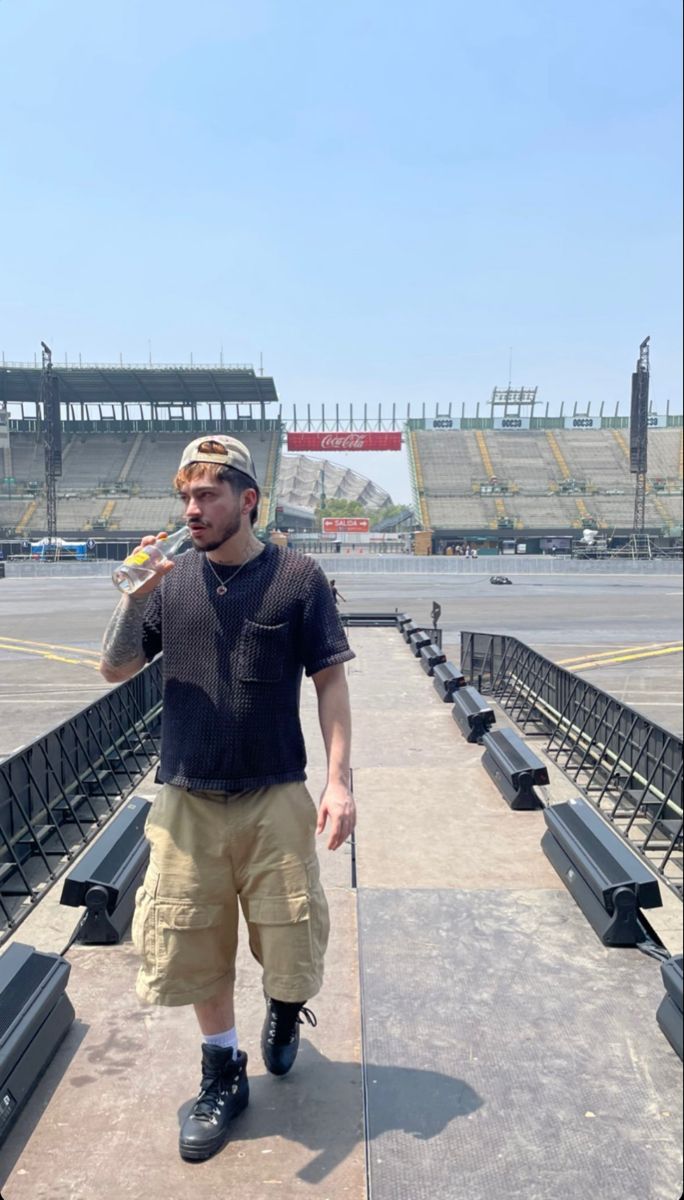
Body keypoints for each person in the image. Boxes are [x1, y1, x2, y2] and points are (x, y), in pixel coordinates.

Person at [99, 435, 355, 1163]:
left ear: (248, 499)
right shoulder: (170, 582)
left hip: (275, 792)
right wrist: (132, 599)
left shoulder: (299, 579)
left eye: (208, 494)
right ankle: (222, 1070)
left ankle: (282, 1008)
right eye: (186, 496)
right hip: (186, 799)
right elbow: (114, 670)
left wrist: (339, 781)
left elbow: (330, 681)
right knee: (193, 941)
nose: (193, 509)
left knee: (289, 932)